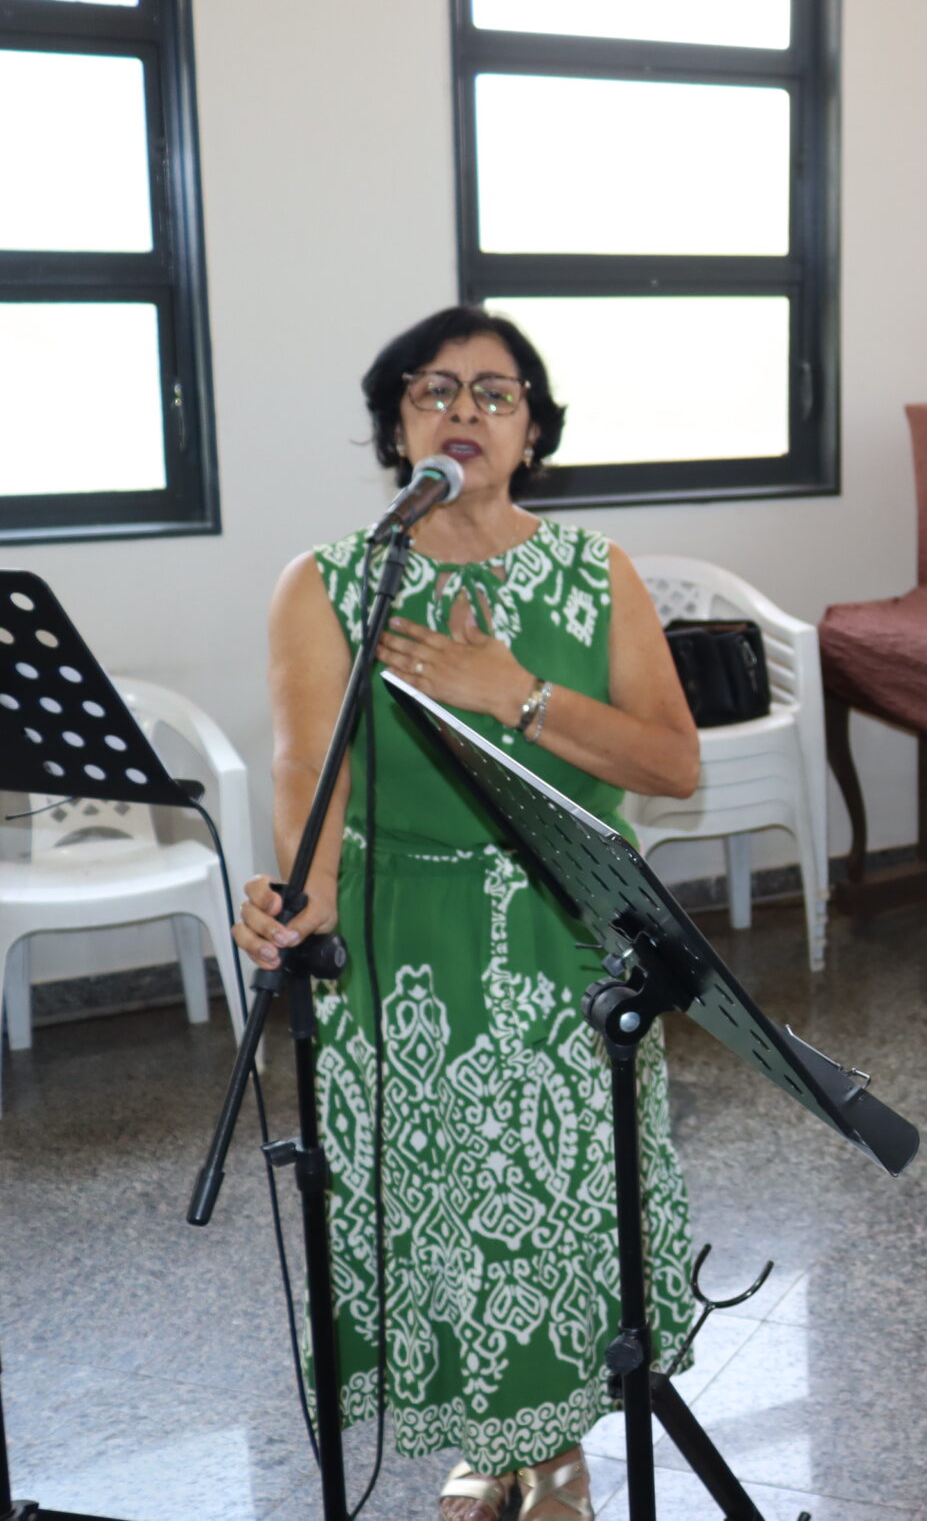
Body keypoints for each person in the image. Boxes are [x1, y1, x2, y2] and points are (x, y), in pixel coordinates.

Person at [231, 306, 702, 1521]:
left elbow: (671, 764)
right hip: (400, 936)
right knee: (430, 1196)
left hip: (563, 922)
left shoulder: (597, 571)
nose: (464, 412)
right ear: (396, 427)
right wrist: (300, 893)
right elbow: (307, 770)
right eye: (433, 390)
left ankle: (558, 1448)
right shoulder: (327, 581)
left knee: (551, 1195)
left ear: (532, 432)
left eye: (496, 394)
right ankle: (489, 1436)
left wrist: (519, 694)